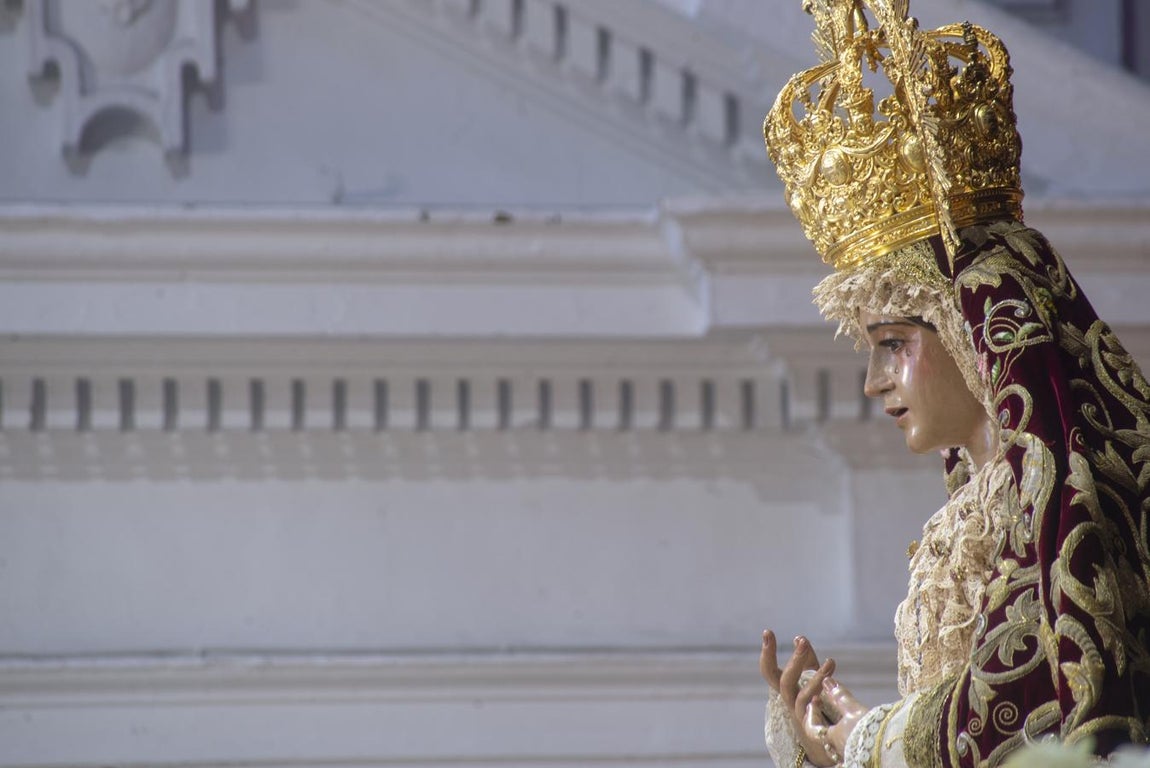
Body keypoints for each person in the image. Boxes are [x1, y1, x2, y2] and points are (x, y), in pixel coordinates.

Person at [758, 1, 1150, 767]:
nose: (874, 383)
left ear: (980, 335)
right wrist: (833, 744)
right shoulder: (988, 507)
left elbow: (1036, 696)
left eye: (895, 344)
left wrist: (870, 739)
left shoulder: (1068, 496)